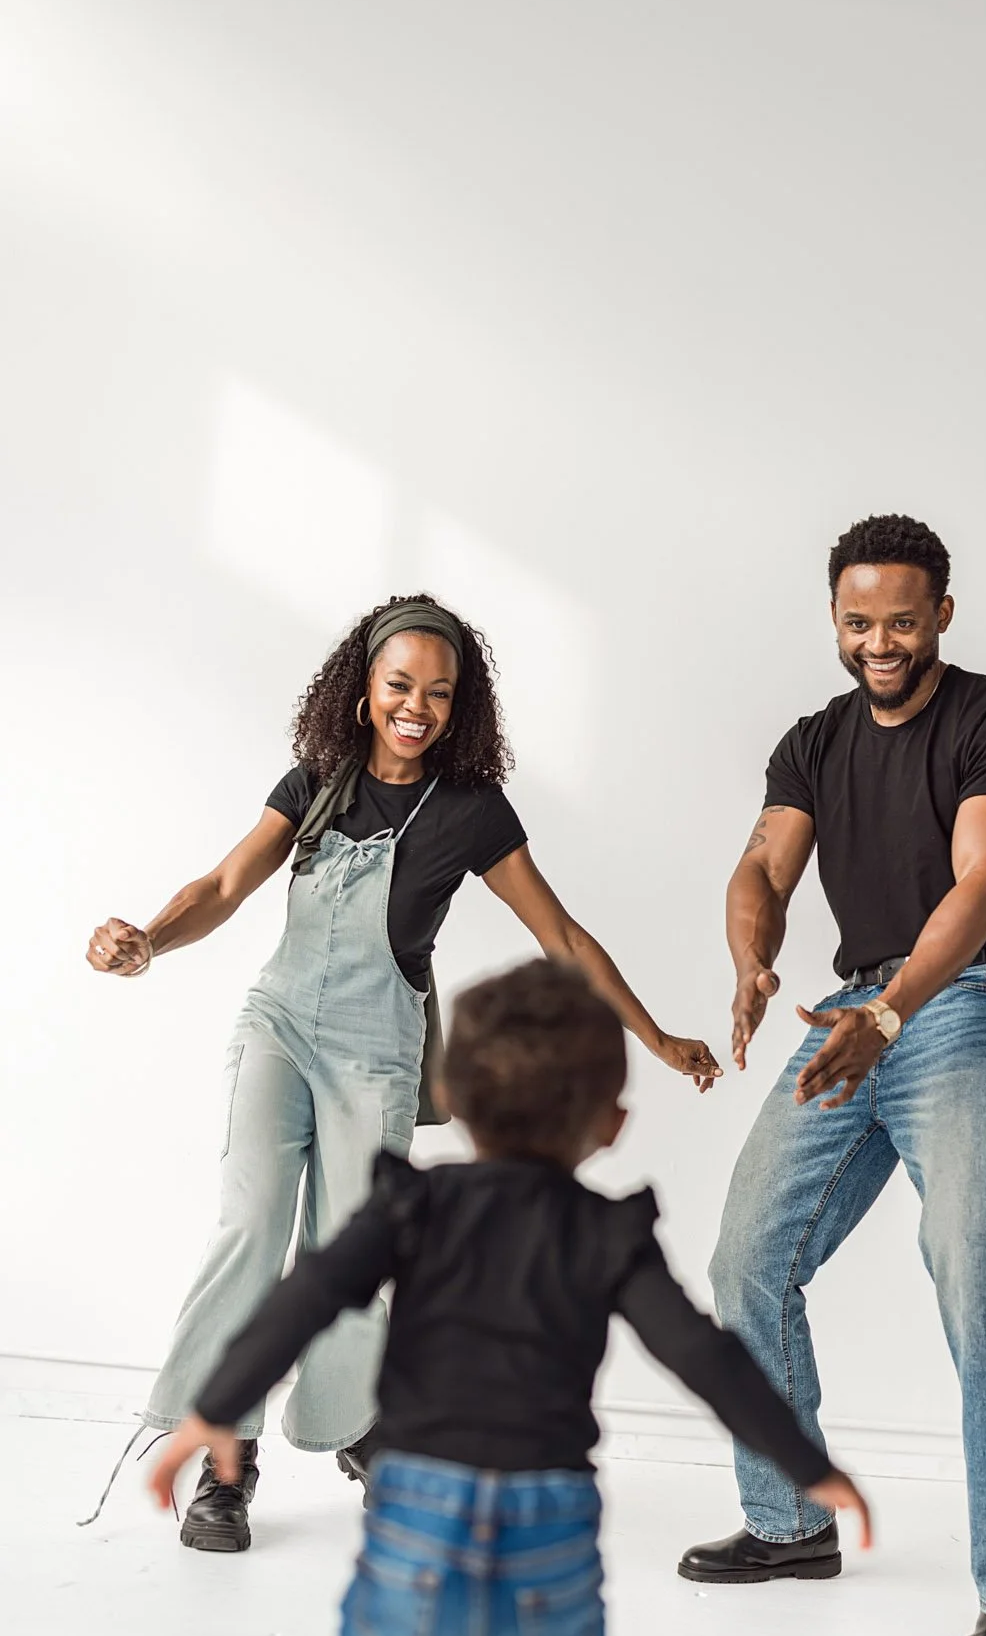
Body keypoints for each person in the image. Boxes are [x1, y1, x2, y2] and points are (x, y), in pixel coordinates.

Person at [148, 959, 872, 1636]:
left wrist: (215, 1408)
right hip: (547, 1536)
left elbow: (305, 1295)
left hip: (414, 1527)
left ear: (454, 1101)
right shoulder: (606, 1231)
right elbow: (700, 1353)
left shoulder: (410, 1205)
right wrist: (810, 1467)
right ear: (611, 1122)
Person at [87, 594, 720, 1550]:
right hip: (280, 1022)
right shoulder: (317, 779)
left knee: (354, 1251)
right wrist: (149, 940)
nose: (416, 705)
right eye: (398, 685)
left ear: (460, 707)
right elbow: (223, 886)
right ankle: (224, 1454)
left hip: (378, 1047)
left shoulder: (471, 812)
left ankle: (357, 1426)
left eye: (439, 691)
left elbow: (557, 934)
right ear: (362, 690)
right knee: (252, 1222)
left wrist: (656, 1034)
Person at [678, 514, 986, 1636]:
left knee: (972, 1269)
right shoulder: (815, 740)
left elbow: (983, 883)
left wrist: (892, 1012)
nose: (878, 641)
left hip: (963, 1005)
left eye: (900, 618)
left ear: (941, 611)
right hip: (852, 1011)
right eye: (857, 621)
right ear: (833, 619)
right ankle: (790, 1522)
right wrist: (751, 956)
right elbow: (760, 867)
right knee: (745, 1256)